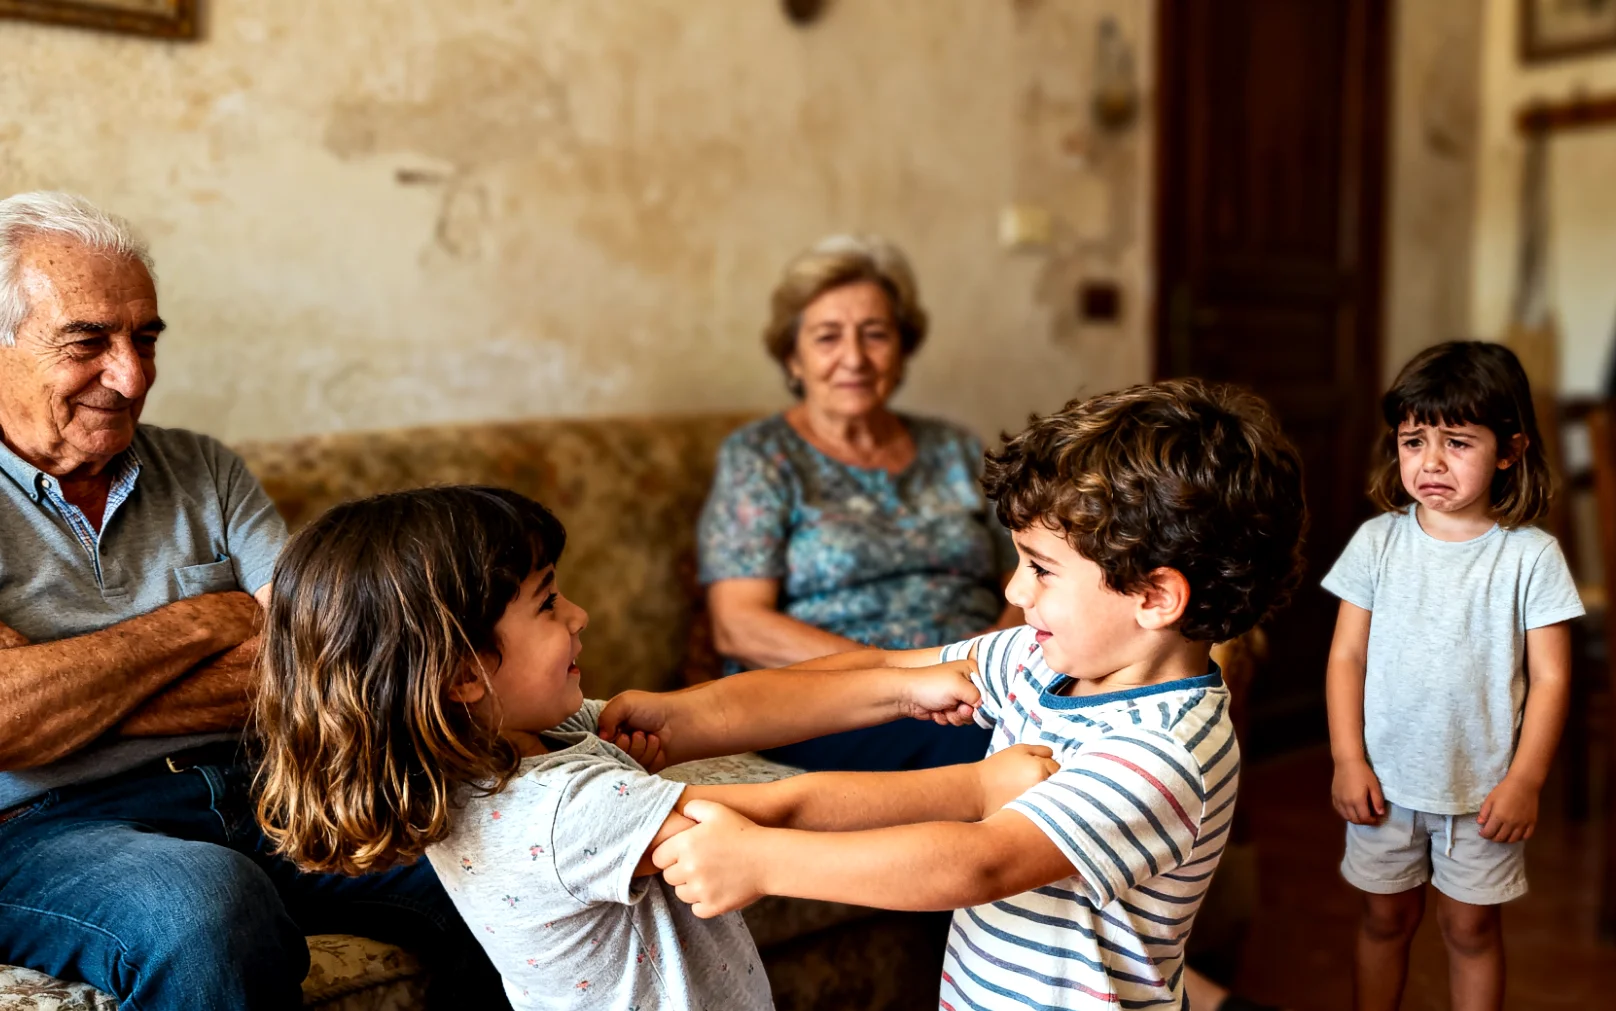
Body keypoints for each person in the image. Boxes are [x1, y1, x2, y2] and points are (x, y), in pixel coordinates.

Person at [619, 378, 1309, 1011]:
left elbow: (979, 860)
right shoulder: (1038, 660)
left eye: (1041, 567)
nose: (1013, 592)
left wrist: (761, 859)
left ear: (1154, 595)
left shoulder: (1163, 752)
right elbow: (869, 677)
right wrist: (681, 716)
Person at [253, 485, 1062, 1011]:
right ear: (464, 672)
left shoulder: (523, 743)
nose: (581, 615)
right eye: (547, 604)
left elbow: (723, 709)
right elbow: (783, 807)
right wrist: (978, 788)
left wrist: (904, 684)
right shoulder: (562, 807)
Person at [0, 191, 501, 1008]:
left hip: (265, 784)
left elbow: (323, 665)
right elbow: (7, 721)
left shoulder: (208, 471)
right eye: (88, 341)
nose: (130, 376)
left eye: (146, 338)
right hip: (44, 830)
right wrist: (209, 617)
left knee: (504, 846)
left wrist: (69, 696)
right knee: (201, 902)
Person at [1322, 341, 1583, 1011]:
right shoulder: (1376, 543)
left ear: (1510, 449)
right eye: (1414, 440)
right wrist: (1347, 758)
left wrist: (1526, 780)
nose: (1430, 462)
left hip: (1484, 789)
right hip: (1384, 783)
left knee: (1470, 927)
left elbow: (1552, 678)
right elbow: (1346, 657)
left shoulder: (1532, 556)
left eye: (1457, 442)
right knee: (1385, 918)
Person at [697, 234, 1020, 771]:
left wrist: (991, 657)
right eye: (827, 337)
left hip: (974, 685)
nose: (854, 358)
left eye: (875, 335)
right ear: (792, 358)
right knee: (1001, 752)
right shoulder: (762, 456)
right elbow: (740, 624)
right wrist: (901, 679)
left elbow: (1029, 571)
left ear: (902, 350)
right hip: (829, 700)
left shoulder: (955, 448)